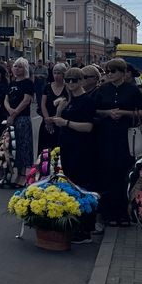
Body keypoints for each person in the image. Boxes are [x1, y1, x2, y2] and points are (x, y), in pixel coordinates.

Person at [92, 58, 142, 226]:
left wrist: (124, 113)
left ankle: (124, 213)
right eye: (108, 71)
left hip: (126, 135)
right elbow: (94, 110)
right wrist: (107, 113)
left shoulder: (132, 90)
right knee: (108, 171)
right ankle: (109, 213)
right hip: (106, 135)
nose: (109, 74)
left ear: (123, 73)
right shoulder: (102, 89)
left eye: (113, 71)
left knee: (125, 172)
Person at [49, 67, 97, 243]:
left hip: (82, 148)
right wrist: (60, 111)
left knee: (83, 186)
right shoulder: (69, 100)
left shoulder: (87, 101)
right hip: (67, 146)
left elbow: (88, 127)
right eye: (67, 80)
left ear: (82, 81)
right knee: (70, 184)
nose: (70, 83)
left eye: (74, 80)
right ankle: (73, 224)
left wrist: (66, 122)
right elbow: (59, 122)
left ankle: (86, 229)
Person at [0, 58, 37, 188]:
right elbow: (6, 99)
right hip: (11, 118)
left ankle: (23, 175)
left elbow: (26, 100)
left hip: (22, 118)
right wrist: (9, 110)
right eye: (15, 66)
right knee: (11, 146)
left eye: (20, 67)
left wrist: (14, 113)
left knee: (23, 145)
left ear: (25, 69)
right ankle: (11, 173)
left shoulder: (28, 83)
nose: (17, 69)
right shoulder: (12, 83)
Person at [38, 62, 67, 155]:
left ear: (63, 74)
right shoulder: (47, 87)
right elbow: (43, 104)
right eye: (54, 73)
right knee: (45, 151)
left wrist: (54, 119)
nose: (56, 75)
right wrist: (47, 119)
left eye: (59, 73)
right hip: (47, 121)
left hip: (60, 122)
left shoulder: (67, 88)